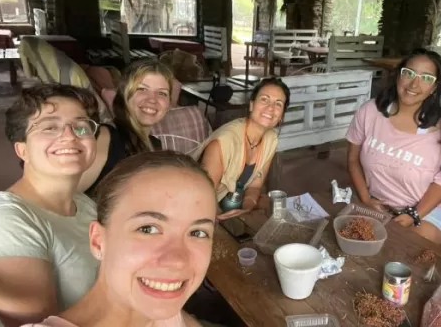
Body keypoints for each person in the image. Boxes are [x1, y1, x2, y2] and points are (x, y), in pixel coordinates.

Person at [21, 150, 218, 327]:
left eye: (198, 232)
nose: (177, 261)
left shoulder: (159, 306)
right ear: (98, 241)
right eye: (148, 229)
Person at [0, 84, 100, 326]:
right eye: (50, 127)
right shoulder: (9, 218)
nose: (70, 135)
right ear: (22, 150)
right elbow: (38, 318)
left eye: (81, 126)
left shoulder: (84, 204)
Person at [346, 48, 441, 246]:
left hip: (427, 211)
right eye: (409, 73)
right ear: (398, 75)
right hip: (378, 204)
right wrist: (366, 199)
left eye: (426, 78)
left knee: (407, 247)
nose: (414, 83)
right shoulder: (370, 111)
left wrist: (413, 214)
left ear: (434, 87)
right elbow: (353, 159)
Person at [193, 77, 290, 220]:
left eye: (278, 104)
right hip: (201, 206)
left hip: (231, 204)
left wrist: (246, 208)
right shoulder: (224, 142)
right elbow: (204, 197)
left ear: (281, 116)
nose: (271, 108)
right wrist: (224, 218)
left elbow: (255, 186)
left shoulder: (271, 139)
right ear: (251, 105)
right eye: (264, 99)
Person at [78, 59, 174, 193]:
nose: (152, 99)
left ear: (169, 103)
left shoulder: (155, 144)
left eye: (162, 93)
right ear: (123, 94)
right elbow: (67, 196)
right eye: (142, 89)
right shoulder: (106, 137)